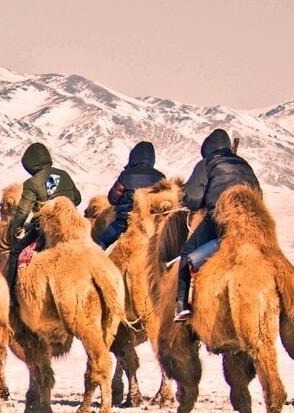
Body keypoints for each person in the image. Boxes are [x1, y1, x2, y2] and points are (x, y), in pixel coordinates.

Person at [174, 128, 261, 321]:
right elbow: (258, 194)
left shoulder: (207, 163)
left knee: (187, 253)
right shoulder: (244, 164)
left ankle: (181, 304)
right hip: (251, 221)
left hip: (220, 217)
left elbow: (193, 199)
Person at [4, 142, 81, 300]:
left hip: (48, 230)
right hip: (73, 227)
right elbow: (78, 199)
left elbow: (22, 212)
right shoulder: (64, 174)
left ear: (29, 164)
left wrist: (14, 230)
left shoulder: (32, 183)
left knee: (15, 252)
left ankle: (11, 297)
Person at [96, 141, 165, 249]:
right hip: (150, 226)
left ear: (133, 157)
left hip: (123, 224)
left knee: (100, 242)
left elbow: (113, 199)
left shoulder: (126, 174)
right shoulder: (161, 177)